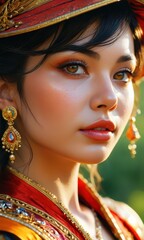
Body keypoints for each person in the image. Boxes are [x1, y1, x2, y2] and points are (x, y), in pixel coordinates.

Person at [0, 0, 144, 239]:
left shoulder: (126, 223)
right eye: (74, 68)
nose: (109, 97)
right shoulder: (10, 232)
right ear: (5, 91)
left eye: (122, 74)